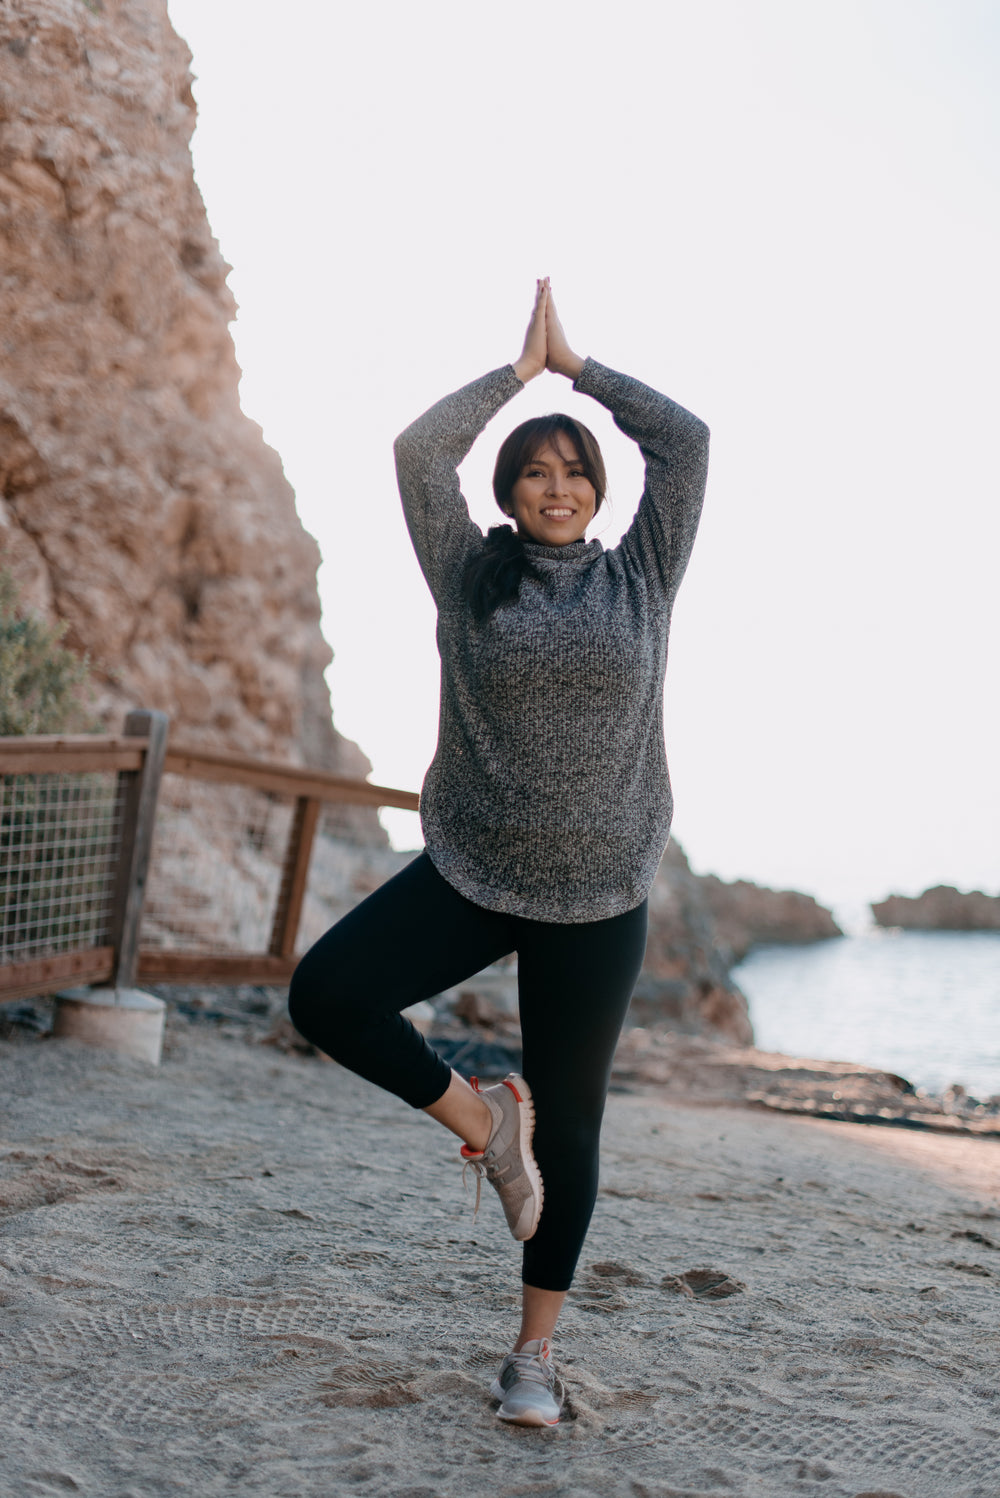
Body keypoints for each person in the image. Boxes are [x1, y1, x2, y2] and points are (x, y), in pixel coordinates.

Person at [288, 279, 709, 1426]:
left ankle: (533, 1353)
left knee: (572, 1128)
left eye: (575, 470)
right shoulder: (466, 568)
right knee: (327, 993)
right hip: (475, 867)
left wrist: (582, 371)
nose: (559, 486)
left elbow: (687, 440)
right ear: (509, 491)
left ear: (599, 489)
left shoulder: (642, 574)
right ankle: (482, 1125)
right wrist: (517, 381)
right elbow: (419, 449)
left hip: (601, 886)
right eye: (537, 469)